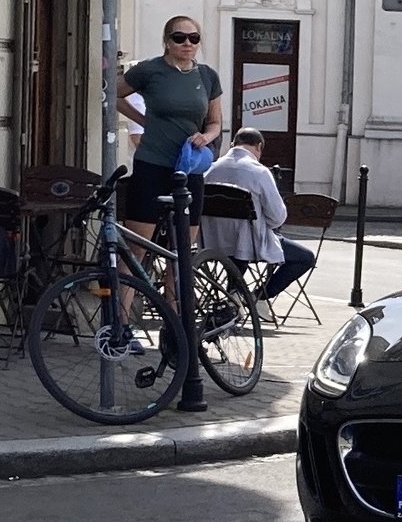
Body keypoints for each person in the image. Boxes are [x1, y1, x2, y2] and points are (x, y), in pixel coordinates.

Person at [119, 17, 225, 254]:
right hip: (153, 163)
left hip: (189, 168)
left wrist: (206, 137)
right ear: (167, 41)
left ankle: (174, 293)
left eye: (194, 38)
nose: (187, 43)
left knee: (182, 251)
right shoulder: (149, 70)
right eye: (180, 38)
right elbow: (114, 95)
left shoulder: (207, 76)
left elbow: (216, 122)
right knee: (137, 247)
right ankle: (127, 291)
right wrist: (142, 120)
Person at [203, 128, 316, 307]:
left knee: (238, 248)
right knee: (305, 257)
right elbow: (278, 217)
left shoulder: (210, 169)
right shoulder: (259, 172)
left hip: (213, 241)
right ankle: (259, 297)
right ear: (259, 146)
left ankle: (235, 296)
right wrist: (264, 223)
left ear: (233, 144)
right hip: (249, 244)